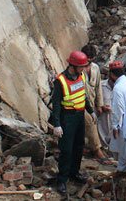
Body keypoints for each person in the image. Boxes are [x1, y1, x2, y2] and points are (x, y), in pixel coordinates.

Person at [49, 50, 93, 194]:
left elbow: (83, 95)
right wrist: (57, 124)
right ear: (73, 66)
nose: (84, 69)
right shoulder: (60, 81)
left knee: (79, 146)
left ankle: (74, 173)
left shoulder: (81, 76)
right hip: (67, 118)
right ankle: (62, 180)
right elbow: (56, 104)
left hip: (79, 116)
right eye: (82, 66)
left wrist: (91, 111)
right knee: (66, 150)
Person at [80, 44, 109, 164]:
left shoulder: (95, 68)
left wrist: (99, 104)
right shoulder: (77, 69)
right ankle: (97, 150)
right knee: (90, 122)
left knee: (92, 123)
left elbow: (98, 87)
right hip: (79, 104)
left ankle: (87, 147)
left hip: (91, 102)